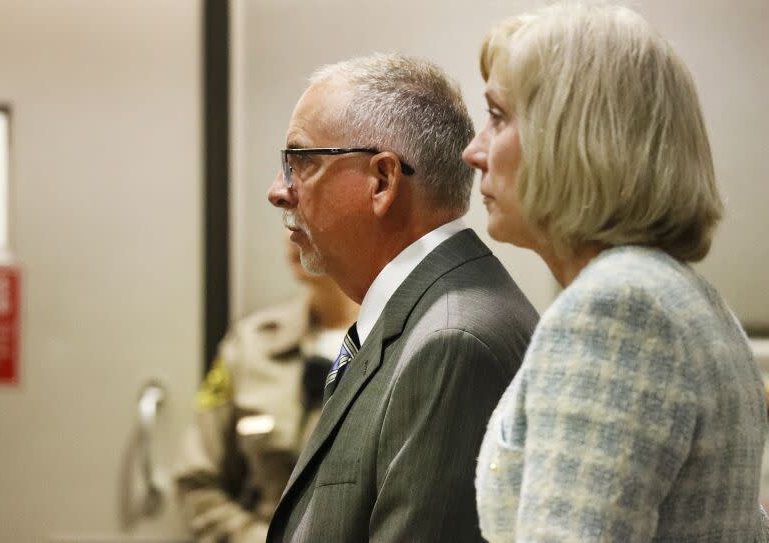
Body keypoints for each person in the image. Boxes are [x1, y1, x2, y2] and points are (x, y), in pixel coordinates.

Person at [463, 4, 769, 542]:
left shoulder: (616, 308)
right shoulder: (681, 296)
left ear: (573, 134)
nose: (474, 152)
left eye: (498, 116)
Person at [266, 53, 538, 542]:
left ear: (383, 181)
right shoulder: (423, 316)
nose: (279, 191)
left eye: (301, 162)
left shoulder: (451, 342)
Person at [173, 233, 358, 543]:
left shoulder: (404, 342)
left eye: (309, 201)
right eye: (289, 210)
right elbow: (197, 482)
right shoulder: (251, 346)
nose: (291, 229)